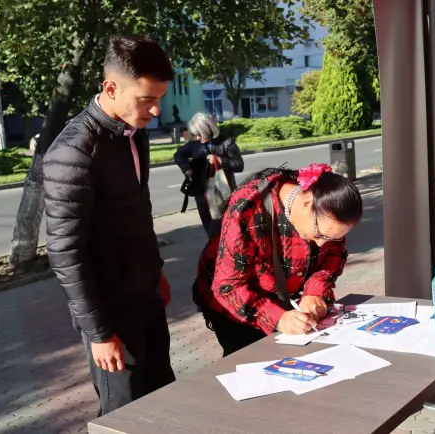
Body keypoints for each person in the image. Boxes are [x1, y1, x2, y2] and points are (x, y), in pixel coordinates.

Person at [42, 35, 176, 416]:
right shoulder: (73, 152)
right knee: (124, 413)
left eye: (158, 99)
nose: (154, 111)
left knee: (162, 401)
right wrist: (99, 334)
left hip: (145, 296)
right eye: (146, 100)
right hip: (111, 313)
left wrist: (157, 271)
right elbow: (65, 252)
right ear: (111, 87)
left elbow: (139, 211)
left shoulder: (132, 133)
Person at [193, 163, 363, 356]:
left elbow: (334, 255)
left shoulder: (329, 212)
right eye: (319, 235)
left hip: (282, 297)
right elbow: (228, 286)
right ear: (307, 204)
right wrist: (278, 318)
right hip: (236, 307)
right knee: (252, 365)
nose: (322, 244)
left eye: (334, 238)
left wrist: (315, 292)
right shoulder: (249, 207)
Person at [173, 112, 244, 238]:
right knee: (210, 232)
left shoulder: (227, 142)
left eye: (199, 134)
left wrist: (220, 160)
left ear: (207, 130)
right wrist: (187, 169)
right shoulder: (195, 144)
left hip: (223, 194)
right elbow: (179, 155)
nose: (197, 138)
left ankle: (223, 254)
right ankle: (215, 254)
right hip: (202, 194)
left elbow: (239, 165)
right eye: (195, 135)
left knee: (224, 230)